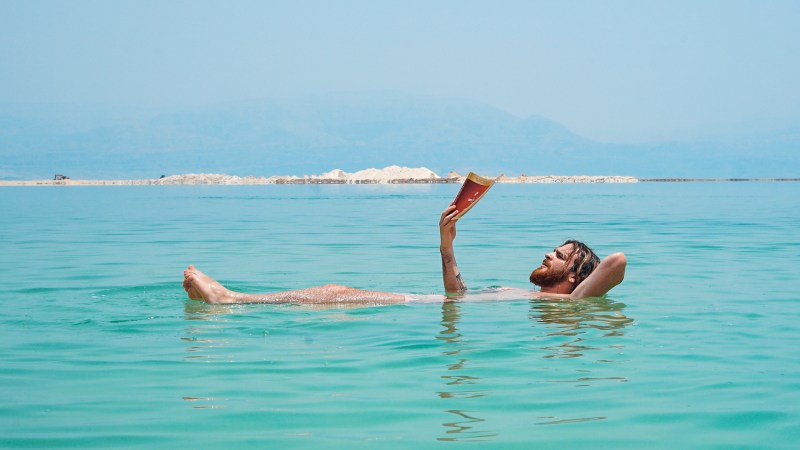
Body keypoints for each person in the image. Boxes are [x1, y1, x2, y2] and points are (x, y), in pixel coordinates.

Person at [182, 205, 626, 305]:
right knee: (335, 295)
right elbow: (458, 295)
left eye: (560, 254)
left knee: (335, 293)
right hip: (435, 305)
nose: (548, 253)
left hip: (418, 309)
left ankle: (232, 301)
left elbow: (617, 261)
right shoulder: (544, 301)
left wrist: (579, 290)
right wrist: (446, 243)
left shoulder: (570, 303)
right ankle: (233, 300)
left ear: (575, 274)